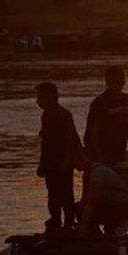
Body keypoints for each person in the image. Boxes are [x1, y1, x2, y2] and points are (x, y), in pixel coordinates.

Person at [35, 82, 82, 235]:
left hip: (62, 161)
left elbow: (70, 139)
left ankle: (69, 222)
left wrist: (67, 161)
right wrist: (42, 164)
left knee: (66, 193)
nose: (38, 101)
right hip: (50, 162)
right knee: (52, 193)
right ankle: (55, 221)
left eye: (40, 97)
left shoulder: (63, 115)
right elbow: (45, 142)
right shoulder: (46, 115)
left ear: (50, 97)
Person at [84, 65, 128, 164]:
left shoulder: (126, 99)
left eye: (117, 81)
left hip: (120, 149)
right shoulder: (99, 102)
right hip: (103, 151)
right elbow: (93, 132)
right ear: (106, 82)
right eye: (111, 82)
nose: (114, 85)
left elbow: (127, 124)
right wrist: (98, 156)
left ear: (123, 82)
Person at [76, 154, 128, 238]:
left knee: (86, 210)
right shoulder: (90, 174)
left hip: (123, 208)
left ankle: (95, 233)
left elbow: (91, 201)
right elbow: (85, 199)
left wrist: (83, 225)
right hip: (118, 205)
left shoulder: (98, 173)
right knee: (80, 209)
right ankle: (94, 232)